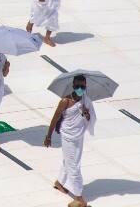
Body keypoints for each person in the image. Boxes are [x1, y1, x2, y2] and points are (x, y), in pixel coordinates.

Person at [45, 73, 95, 206]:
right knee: (74, 165)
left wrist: (86, 113)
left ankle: (59, 182)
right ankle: (78, 196)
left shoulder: (86, 100)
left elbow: (91, 119)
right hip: (67, 136)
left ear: (85, 86)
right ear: (73, 86)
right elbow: (55, 118)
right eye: (77, 86)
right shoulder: (65, 101)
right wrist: (48, 136)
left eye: (82, 86)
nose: (80, 88)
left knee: (70, 161)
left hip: (79, 136)